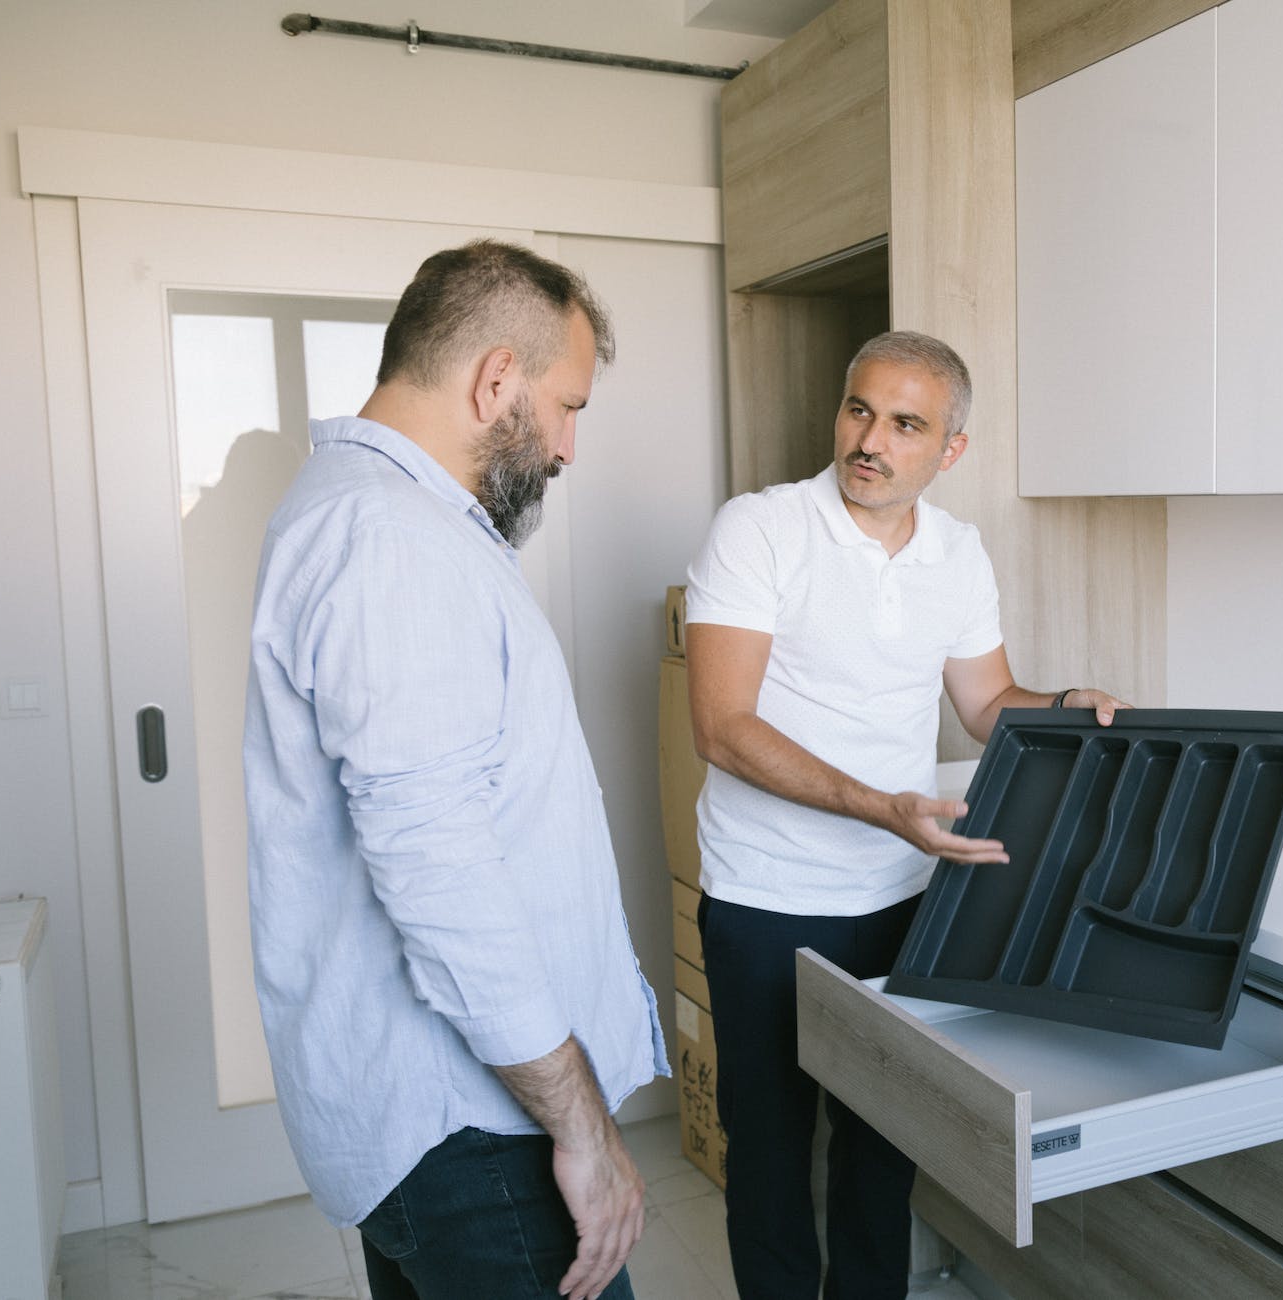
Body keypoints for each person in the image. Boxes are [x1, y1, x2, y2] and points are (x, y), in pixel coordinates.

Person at [243, 240, 667, 1300]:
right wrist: (580, 1124)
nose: (568, 446)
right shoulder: (389, 539)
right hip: (480, 1131)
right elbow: (436, 867)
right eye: (566, 405)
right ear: (494, 380)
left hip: (437, 1119)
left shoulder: (375, 515)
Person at [683, 330, 1128, 1299]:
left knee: (882, 1147)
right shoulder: (759, 531)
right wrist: (882, 806)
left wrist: (1063, 706)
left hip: (902, 894)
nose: (868, 439)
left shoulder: (957, 554)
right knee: (767, 1156)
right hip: (766, 897)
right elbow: (721, 727)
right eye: (858, 410)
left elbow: (984, 701)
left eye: (904, 423)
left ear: (949, 450)